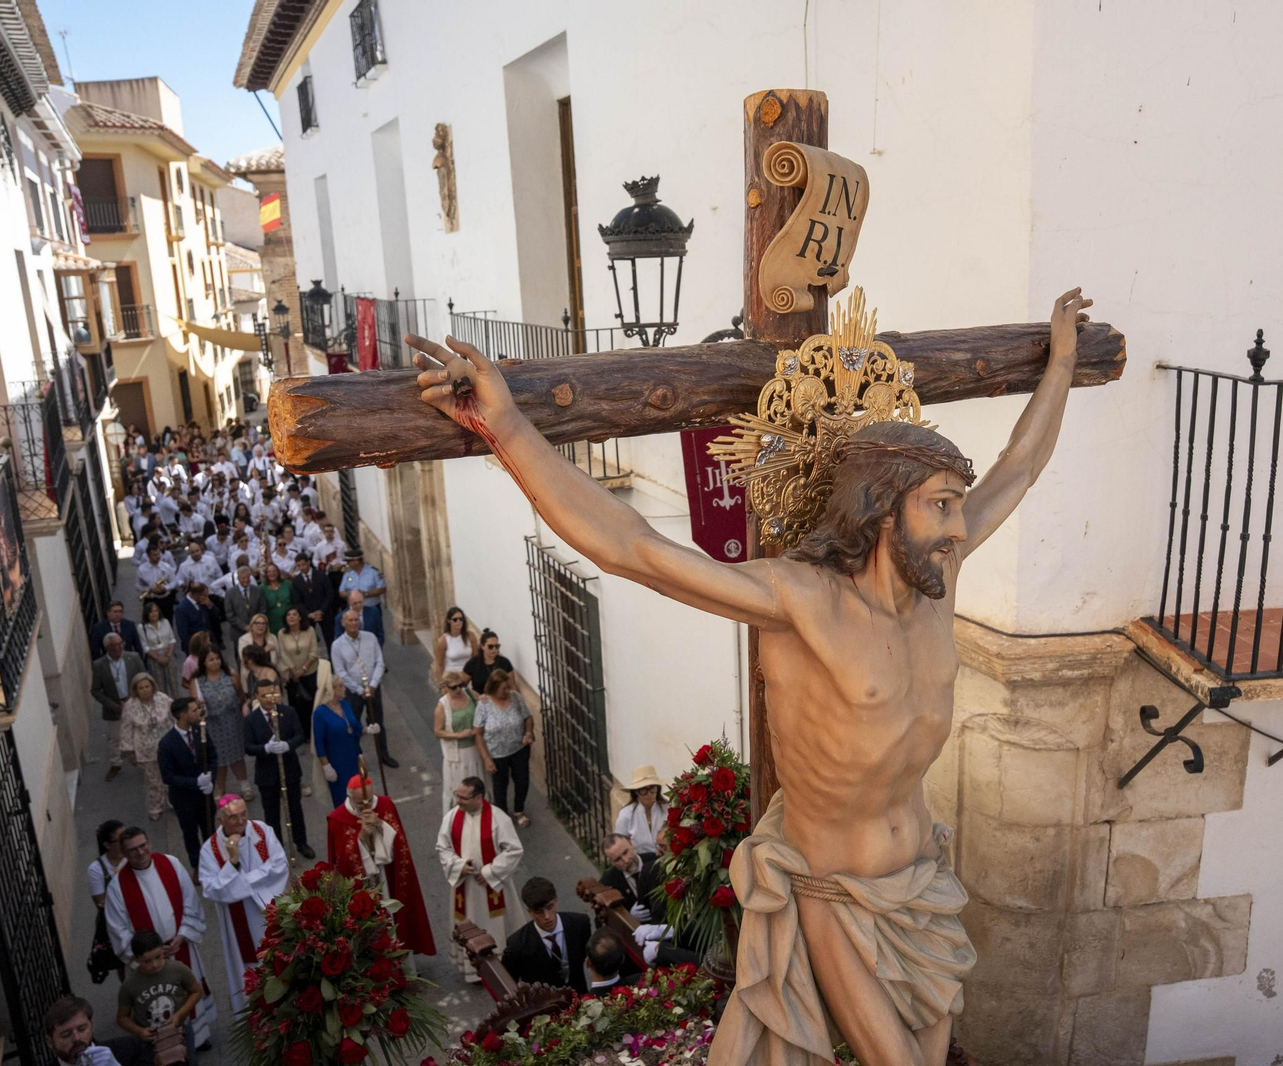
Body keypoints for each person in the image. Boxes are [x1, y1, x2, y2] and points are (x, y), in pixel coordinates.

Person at [408, 288, 1092, 1063]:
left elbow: (1023, 465)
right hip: (828, 889)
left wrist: (1062, 364)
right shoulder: (800, 599)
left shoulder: (943, 578)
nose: (961, 528)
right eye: (941, 506)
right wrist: (506, 425)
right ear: (884, 507)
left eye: (958, 507)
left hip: (924, 888)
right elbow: (634, 548)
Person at [102, 827, 218, 1048]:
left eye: (143, 845)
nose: (140, 852)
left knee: (186, 990)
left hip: (179, 946)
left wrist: (182, 934)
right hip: (148, 958)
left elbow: (190, 901)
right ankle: (165, 1045)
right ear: (124, 853)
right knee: (158, 1003)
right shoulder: (118, 886)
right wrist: (148, 954)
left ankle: (198, 1037)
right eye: (133, 850)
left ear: (149, 843)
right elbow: (118, 930)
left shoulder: (171, 864)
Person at [324, 773, 436, 956]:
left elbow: (400, 844)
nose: (366, 806)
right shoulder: (338, 819)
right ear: (350, 797)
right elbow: (340, 863)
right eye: (361, 803)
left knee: (394, 920)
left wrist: (381, 825)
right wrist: (360, 838)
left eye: (369, 800)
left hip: (387, 875)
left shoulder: (385, 805)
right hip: (364, 884)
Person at [196, 794, 290, 1012]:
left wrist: (243, 882)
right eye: (233, 817)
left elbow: (279, 866)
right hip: (238, 921)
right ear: (221, 820)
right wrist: (233, 862)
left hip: (268, 908)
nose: (240, 821)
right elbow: (212, 889)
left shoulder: (262, 831)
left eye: (243, 815)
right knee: (249, 966)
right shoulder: (209, 850)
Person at [435, 775, 524, 983]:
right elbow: (442, 847)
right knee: (469, 924)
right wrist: (458, 866)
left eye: (464, 798)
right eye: (458, 795)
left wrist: (489, 872)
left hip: (493, 887)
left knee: (497, 928)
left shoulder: (498, 818)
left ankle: (501, 966)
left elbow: (514, 850)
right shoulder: (451, 817)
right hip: (465, 887)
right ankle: (475, 970)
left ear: (479, 797)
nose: (458, 801)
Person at [243, 679, 315, 858]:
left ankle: (301, 842)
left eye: (273, 694)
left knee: (295, 808)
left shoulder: (288, 712)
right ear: (257, 697)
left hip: (289, 769)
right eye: (265, 695)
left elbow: (299, 734)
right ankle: (276, 847)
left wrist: (288, 745)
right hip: (267, 774)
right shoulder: (251, 720)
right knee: (271, 813)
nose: (270, 699)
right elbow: (248, 747)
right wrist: (265, 748)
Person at [115, 929, 200, 1058]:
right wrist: (139, 1031)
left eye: (158, 957)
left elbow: (197, 991)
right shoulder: (129, 984)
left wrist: (178, 1015)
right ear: (136, 959)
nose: (154, 965)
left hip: (181, 1031)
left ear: (162, 950)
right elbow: (122, 1017)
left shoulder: (178, 969)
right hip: (150, 1041)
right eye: (147, 961)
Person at [330, 608, 397, 768]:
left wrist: (373, 685)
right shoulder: (337, 645)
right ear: (343, 623)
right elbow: (340, 672)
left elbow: (380, 662)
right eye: (350, 620)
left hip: (373, 688)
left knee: (378, 722)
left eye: (355, 620)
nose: (354, 623)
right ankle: (353, 757)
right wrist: (359, 689)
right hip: (352, 692)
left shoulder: (370, 637)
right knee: (352, 725)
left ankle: (384, 755)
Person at [157, 698, 217, 870]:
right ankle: (197, 866)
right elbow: (168, 776)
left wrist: (211, 780)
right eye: (193, 710)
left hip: (204, 794)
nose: (198, 712)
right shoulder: (167, 743)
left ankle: (214, 863)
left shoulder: (201, 731)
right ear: (183, 715)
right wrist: (195, 782)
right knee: (190, 834)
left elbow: (212, 756)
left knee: (209, 830)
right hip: (184, 798)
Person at [502, 877, 591, 994]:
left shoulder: (580, 924)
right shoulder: (517, 944)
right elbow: (509, 987)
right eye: (539, 912)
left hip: (580, 996)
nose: (547, 916)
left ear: (556, 900)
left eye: (550, 907)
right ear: (529, 911)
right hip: (544, 1007)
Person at [475, 668, 534, 827]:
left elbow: (528, 717)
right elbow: (478, 734)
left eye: (508, 687)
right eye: (504, 689)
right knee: (500, 787)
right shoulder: (484, 704)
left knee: (522, 781)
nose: (507, 691)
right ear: (493, 688)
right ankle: (502, 817)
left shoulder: (516, 698)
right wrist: (487, 759)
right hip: (497, 753)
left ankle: (519, 810)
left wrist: (528, 733)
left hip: (518, 749)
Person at [191, 648, 250, 799]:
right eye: (211, 659)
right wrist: (199, 705)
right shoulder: (198, 681)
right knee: (218, 757)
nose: (215, 662)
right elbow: (195, 705)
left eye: (217, 658)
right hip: (212, 723)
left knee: (236, 753)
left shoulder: (231, 674)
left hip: (232, 720)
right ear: (203, 662)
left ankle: (244, 784)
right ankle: (220, 787)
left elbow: (241, 695)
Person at [92, 634, 146, 782]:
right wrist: (111, 704)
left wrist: (137, 696)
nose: (118, 648)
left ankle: (143, 759)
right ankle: (116, 763)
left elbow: (144, 677)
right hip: (115, 706)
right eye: (113, 646)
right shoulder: (99, 665)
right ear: (107, 648)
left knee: (141, 731)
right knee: (115, 737)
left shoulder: (133, 658)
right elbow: (95, 690)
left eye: (120, 644)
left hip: (134, 701)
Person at [119, 673, 173, 821]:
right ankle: (156, 807)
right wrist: (130, 752)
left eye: (147, 686)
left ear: (152, 686)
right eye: (141, 688)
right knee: (153, 780)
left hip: (167, 747)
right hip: (146, 751)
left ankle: (172, 801)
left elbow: (175, 717)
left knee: (169, 776)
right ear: (136, 690)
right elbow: (126, 729)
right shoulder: (130, 706)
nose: (144, 690)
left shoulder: (163, 699)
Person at [312, 671, 363, 808]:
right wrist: (326, 766)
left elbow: (355, 726)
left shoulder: (345, 704)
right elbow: (319, 741)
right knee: (342, 798)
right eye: (340, 686)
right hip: (337, 760)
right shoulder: (320, 713)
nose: (344, 688)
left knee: (359, 793)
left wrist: (367, 729)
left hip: (353, 756)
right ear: (332, 689)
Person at [87, 821, 129, 984]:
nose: (125, 842)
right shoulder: (96, 869)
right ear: (106, 844)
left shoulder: (131, 857)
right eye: (120, 839)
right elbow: (100, 902)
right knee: (124, 962)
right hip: (117, 922)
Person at [433, 669, 483, 799]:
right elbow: (437, 732)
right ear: (446, 687)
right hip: (457, 755)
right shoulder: (442, 706)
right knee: (461, 788)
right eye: (454, 687)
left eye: (461, 685)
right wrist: (459, 735)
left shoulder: (470, 694)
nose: (458, 690)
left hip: (476, 749)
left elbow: (483, 704)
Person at [43, 996, 132, 1066]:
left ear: (91, 1026)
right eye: (66, 1035)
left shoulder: (129, 1050)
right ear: (50, 1042)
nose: (76, 1038)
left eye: (82, 1029)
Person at [598, 832, 660, 921]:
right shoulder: (608, 881)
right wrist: (627, 916)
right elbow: (601, 919)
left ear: (631, 844)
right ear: (611, 862)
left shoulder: (655, 860)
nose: (626, 860)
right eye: (618, 859)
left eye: (626, 852)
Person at [274, 605, 318, 721]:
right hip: (293, 676)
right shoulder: (281, 633)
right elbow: (283, 653)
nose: (291, 617)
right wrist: (294, 671)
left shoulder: (310, 630)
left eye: (294, 614)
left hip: (310, 673)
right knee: (296, 706)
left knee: (312, 703)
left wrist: (303, 669)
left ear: (300, 617)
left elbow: (313, 653)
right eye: (288, 615)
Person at [614, 765, 669, 858]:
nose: (649, 794)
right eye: (643, 790)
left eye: (652, 788)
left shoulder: (667, 809)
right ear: (636, 792)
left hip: (665, 858)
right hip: (641, 862)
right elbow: (621, 843)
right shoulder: (626, 815)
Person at [290, 551, 335, 648]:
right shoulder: (296, 581)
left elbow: (329, 594)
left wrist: (321, 610)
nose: (302, 568)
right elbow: (297, 601)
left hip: (324, 613)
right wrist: (308, 614)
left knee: (330, 640)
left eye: (303, 564)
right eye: (299, 566)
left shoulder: (321, 575)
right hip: (308, 615)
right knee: (308, 643)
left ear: (308, 562)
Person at [223, 565, 267, 652]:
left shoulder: (258, 590)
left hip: (257, 631)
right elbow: (229, 614)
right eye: (243, 578)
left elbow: (263, 609)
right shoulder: (230, 593)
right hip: (238, 632)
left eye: (248, 577)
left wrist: (256, 624)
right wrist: (244, 627)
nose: (246, 580)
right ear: (238, 578)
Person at [140, 601, 179, 698]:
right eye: (151, 612)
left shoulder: (165, 622)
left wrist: (168, 655)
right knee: (159, 686)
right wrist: (158, 658)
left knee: (173, 684)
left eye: (156, 611)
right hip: (154, 658)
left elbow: (171, 639)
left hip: (168, 654)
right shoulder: (142, 627)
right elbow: (145, 646)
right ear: (146, 614)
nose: (154, 614)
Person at [432, 606, 478, 686]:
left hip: (469, 676)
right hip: (452, 678)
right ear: (449, 621)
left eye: (461, 619)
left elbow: (476, 657)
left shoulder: (470, 636)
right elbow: (439, 665)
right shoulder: (443, 641)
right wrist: (442, 685)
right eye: (455, 619)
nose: (458, 622)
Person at [463, 629, 514, 697]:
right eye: (490, 646)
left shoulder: (504, 662)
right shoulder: (473, 663)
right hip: (480, 700)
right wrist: (475, 695)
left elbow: (512, 686)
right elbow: (462, 686)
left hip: (500, 700)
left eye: (497, 646)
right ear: (482, 646)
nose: (494, 649)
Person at [173, 583, 217, 655]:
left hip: (210, 641)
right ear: (197, 595)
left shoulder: (204, 602)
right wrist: (193, 649)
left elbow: (216, 616)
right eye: (204, 595)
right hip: (195, 647)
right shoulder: (181, 609)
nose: (207, 597)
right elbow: (183, 633)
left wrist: (210, 605)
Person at [234, 613, 275, 693]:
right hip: (252, 678)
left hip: (270, 677)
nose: (261, 626)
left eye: (263, 623)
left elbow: (278, 658)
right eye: (257, 623)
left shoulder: (272, 638)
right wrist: (265, 650)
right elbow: (246, 659)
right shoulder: (243, 640)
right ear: (251, 626)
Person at [136, 544, 176, 622]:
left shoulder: (166, 567)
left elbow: (174, 582)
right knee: (150, 622)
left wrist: (165, 588)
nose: (157, 556)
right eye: (154, 555)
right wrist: (149, 588)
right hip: (151, 599)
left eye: (158, 554)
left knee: (168, 621)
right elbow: (138, 585)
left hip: (165, 599)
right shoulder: (142, 569)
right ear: (148, 556)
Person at [261, 562, 293, 634]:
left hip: (289, 621)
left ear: (278, 572)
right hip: (272, 623)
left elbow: (294, 601)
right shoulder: (262, 588)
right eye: (269, 572)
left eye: (274, 571)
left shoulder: (287, 584)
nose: (272, 574)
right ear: (266, 574)